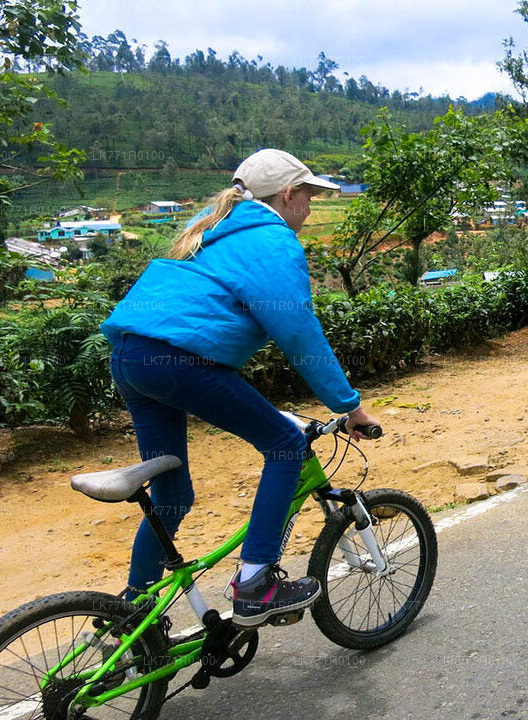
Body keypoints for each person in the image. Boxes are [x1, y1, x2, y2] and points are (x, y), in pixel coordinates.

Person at [101, 148, 381, 626]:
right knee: (287, 445)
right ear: (288, 195)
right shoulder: (271, 240)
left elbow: (203, 319)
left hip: (131, 359)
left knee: (172, 495)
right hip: (179, 364)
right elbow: (298, 334)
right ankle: (255, 584)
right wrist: (349, 407)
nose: (311, 207)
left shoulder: (213, 229)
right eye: (309, 195)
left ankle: (134, 613)